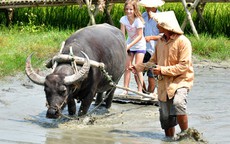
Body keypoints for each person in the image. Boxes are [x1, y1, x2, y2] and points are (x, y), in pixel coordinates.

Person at [130, 11, 194, 139]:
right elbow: (153, 61)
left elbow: (183, 66)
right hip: (164, 82)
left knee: (178, 103)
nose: (157, 26)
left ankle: (186, 136)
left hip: (181, 80)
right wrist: (138, 67)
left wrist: (162, 70)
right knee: (165, 116)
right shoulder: (160, 41)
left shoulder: (183, 42)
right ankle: (169, 140)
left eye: (158, 24)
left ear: (166, 26)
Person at [119, 0, 146, 95]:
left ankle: (139, 90)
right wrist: (123, 45)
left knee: (138, 68)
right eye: (126, 9)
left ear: (134, 10)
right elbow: (122, 33)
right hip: (129, 43)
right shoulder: (123, 19)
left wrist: (129, 45)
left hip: (139, 45)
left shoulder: (138, 20)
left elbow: (139, 36)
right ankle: (125, 89)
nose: (128, 11)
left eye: (130, 9)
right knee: (127, 68)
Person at [138, 0, 165, 94]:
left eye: (149, 6)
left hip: (156, 50)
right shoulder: (143, 16)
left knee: (151, 76)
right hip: (143, 49)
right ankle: (143, 91)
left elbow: (164, 35)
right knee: (137, 70)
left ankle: (150, 94)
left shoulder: (161, 17)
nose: (147, 8)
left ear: (155, 6)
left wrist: (152, 38)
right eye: (146, 6)